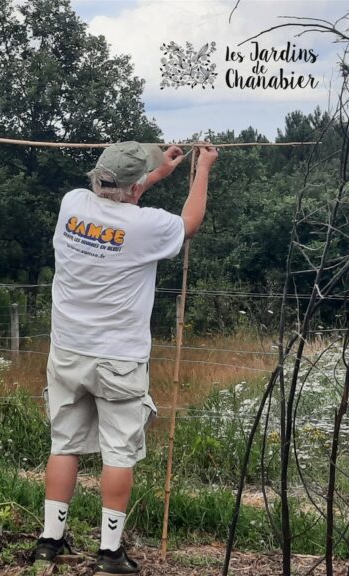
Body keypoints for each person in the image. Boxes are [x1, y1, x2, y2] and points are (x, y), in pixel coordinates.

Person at [32, 141, 218, 574]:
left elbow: (119, 194)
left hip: (68, 349)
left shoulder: (71, 204)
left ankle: (50, 541)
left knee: (65, 445)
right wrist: (202, 169)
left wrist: (154, 175)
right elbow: (190, 222)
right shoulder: (146, 226)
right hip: (119, 356)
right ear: (135, 188)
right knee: (119, 452)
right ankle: (110, 551)